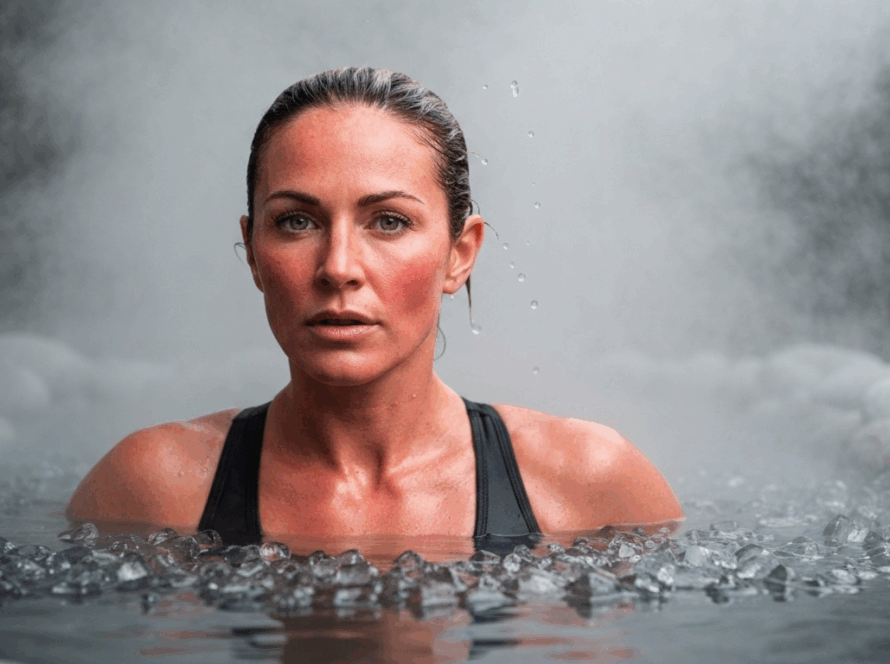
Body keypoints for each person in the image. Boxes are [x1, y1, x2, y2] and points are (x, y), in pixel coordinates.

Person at [66, 67, 683, 552]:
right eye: (296, 221)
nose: (338, 267)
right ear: (253, 252)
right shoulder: (151, 490)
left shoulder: (592, 487)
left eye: (388, 221)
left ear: (459, 255)